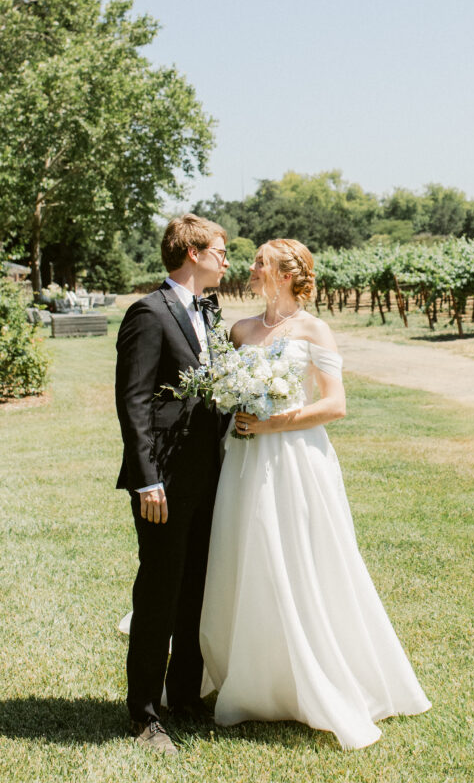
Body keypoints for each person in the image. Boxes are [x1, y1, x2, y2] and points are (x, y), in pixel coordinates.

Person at [200, 238, 430, 750]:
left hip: (296, 459)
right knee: (248, 554)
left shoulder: (313, 329)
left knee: (305, 558)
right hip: (243, 457)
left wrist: (274, 423)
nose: (252, 267)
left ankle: (319, 675)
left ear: (284, 273)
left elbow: (336, 405)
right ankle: (255, 676)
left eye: (261, 262)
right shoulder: (240, 330)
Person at [115, 214, 229, 754]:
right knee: (159, 593)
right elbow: (134, 402)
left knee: (197, 591)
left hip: (211, 474)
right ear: (192, 253)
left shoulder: (208, 310)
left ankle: (185, 697)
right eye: (220, 251)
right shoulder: (148, 312)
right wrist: (146, 481)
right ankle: (144, 714)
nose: (225, 261)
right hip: (164, 480)